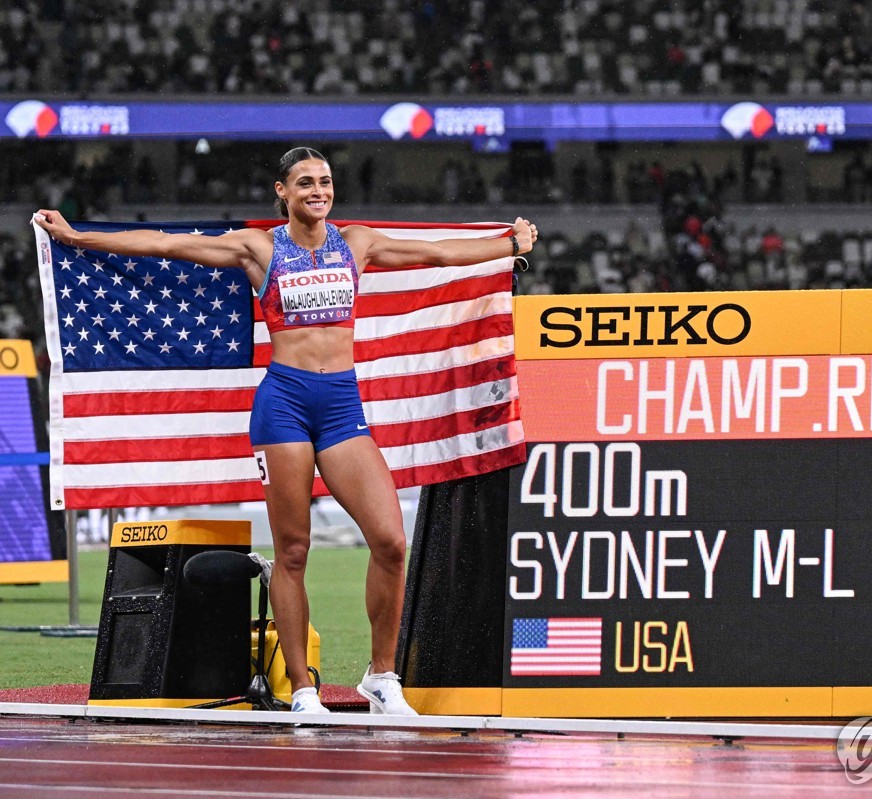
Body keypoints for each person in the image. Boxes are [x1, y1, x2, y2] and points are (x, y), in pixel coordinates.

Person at [34, 146, 538, 716]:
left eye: (324, 182)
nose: (318, 191)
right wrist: (78, 239)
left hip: (342, 405)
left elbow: (438, 252)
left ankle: (381, 676)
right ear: (283, 192)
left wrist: (509, 246)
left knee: (391, 542)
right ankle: (302, 689)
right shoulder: (261, 247)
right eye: (305, 183)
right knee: (293, 551)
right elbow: (168, 246)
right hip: (285, 406)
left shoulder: (357, 242)